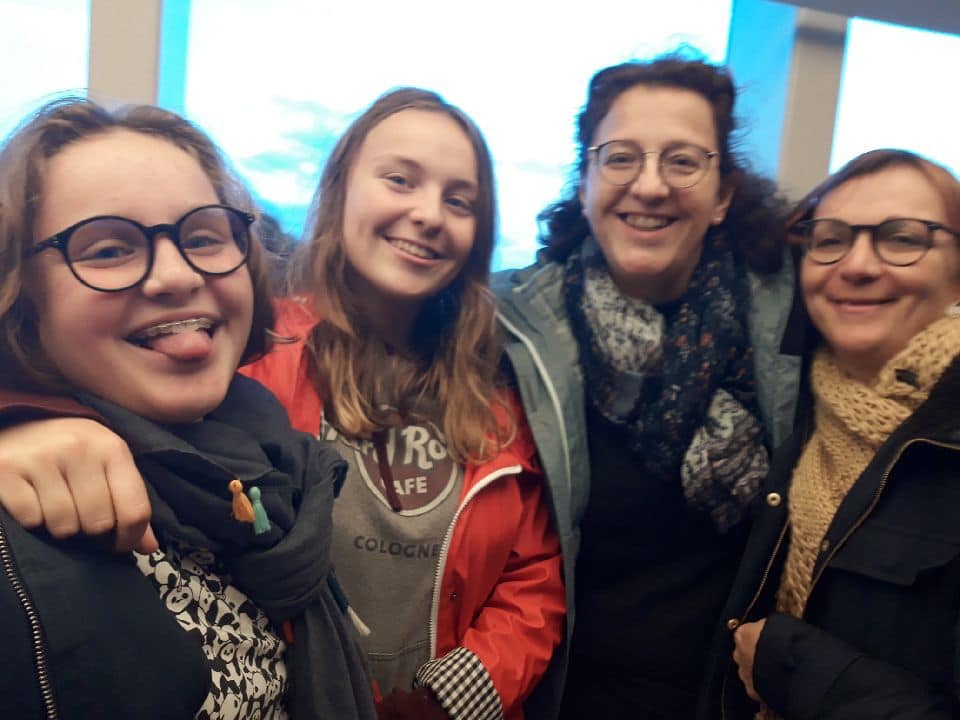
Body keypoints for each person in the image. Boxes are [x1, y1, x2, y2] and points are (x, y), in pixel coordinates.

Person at [0, 88, 566, 720]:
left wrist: (454, 697)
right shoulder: (248, 357)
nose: (429, 213)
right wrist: (22, 420)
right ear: (340, 191)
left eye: (459, 200)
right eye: (400, 180)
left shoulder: (500, 386)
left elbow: (536, 572)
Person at [0, 98, 376, 718]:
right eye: (108, 250)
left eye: (204, 237)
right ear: (21, 292)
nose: (176, 276)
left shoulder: (268, 466)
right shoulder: (24, 509)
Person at [492, 53, 800, 718]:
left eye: (683, 160)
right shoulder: (509, 333)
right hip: (559, 697)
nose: (651, 185)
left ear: (722, 196)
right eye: (621, 158)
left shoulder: (787, 327)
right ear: (585, 183)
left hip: (734, 701)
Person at [702, 149, 960, 719]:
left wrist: (796, 668)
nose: (858, 265)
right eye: (831, 239)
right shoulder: (788, 408)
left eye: (902, 238)